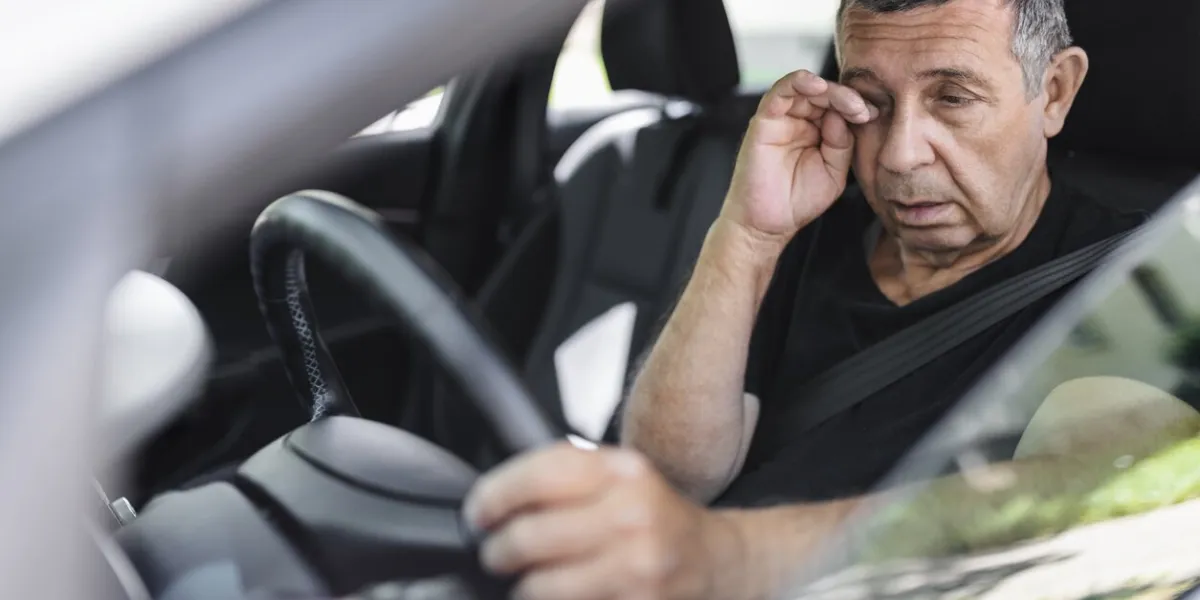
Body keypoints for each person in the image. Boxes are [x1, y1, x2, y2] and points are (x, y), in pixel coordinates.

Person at [461, 0, 1157, 598]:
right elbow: (670, 474)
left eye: (952, 98)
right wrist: (748, 233)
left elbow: (1088, 500)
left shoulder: (1139, 278)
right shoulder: (808, 233)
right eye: (873, 104)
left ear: (1056, 92)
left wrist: (719, 557)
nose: (899, 155)